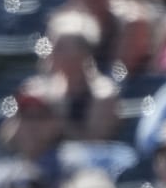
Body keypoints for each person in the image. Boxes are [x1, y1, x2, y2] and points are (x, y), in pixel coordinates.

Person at [33, 10, 120, 143]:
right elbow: (8, 139)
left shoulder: (102, 94)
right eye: (53, 45)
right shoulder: (44, 90)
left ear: (83, 54)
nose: (52, 52)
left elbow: (94, 142)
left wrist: (57, 117)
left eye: (61, 47)